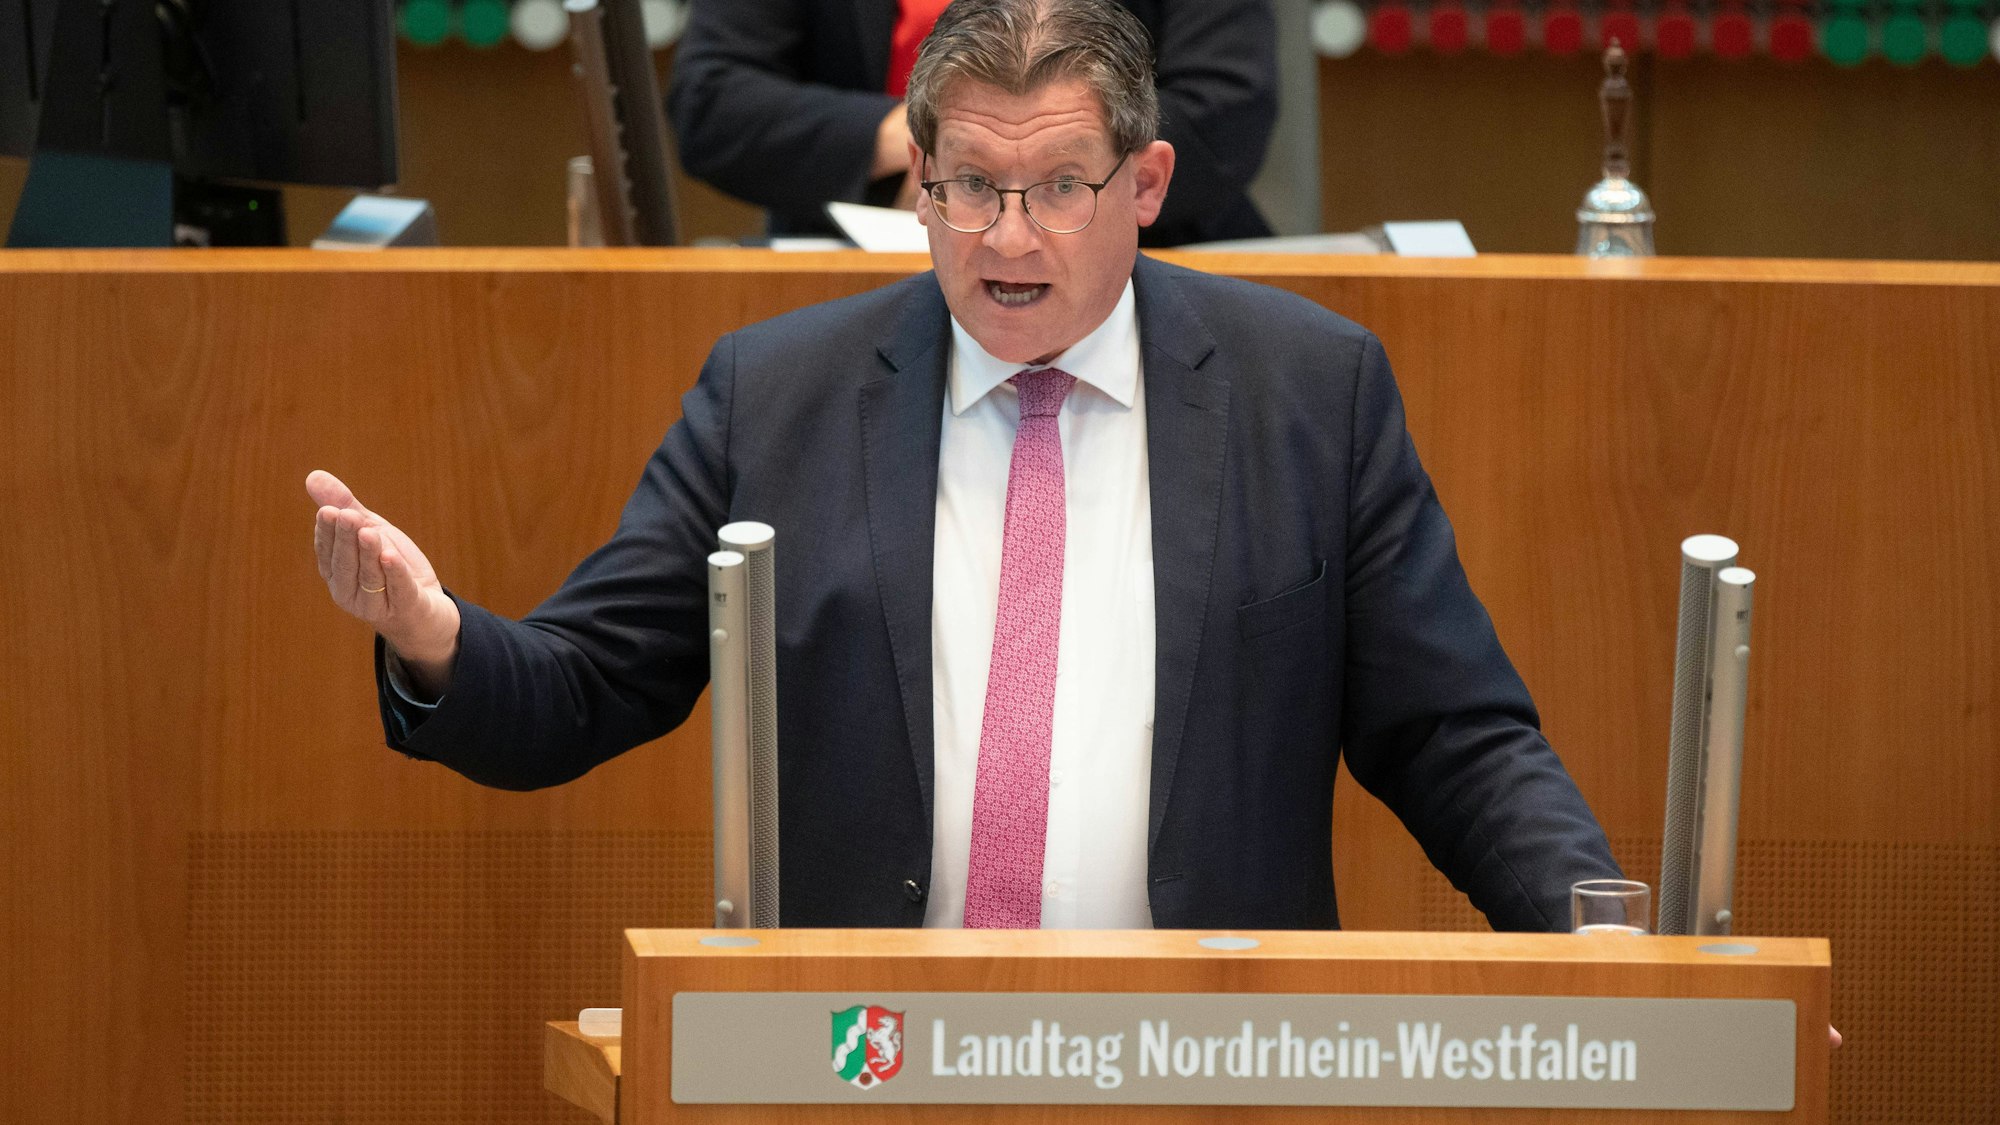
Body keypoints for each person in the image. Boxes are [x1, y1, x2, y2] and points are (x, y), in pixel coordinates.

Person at [310, 0, 1618, 932]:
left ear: (1147, 183)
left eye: (1058, 187)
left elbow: (1456, 736)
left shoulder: (1308, 395)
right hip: (866, 1062)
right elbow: (589, 683)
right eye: (970, 187)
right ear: (917, 185)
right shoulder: (776, 399)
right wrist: (434, 633)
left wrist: (1599, 938)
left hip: (1207, 1064)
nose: (1010, 237)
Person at [666, 0, 1278, 247]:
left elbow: (1225, 110)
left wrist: (1029, 175)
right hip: (851, 264)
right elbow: (711, 101)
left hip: (1147, 265)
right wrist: (913, 147)